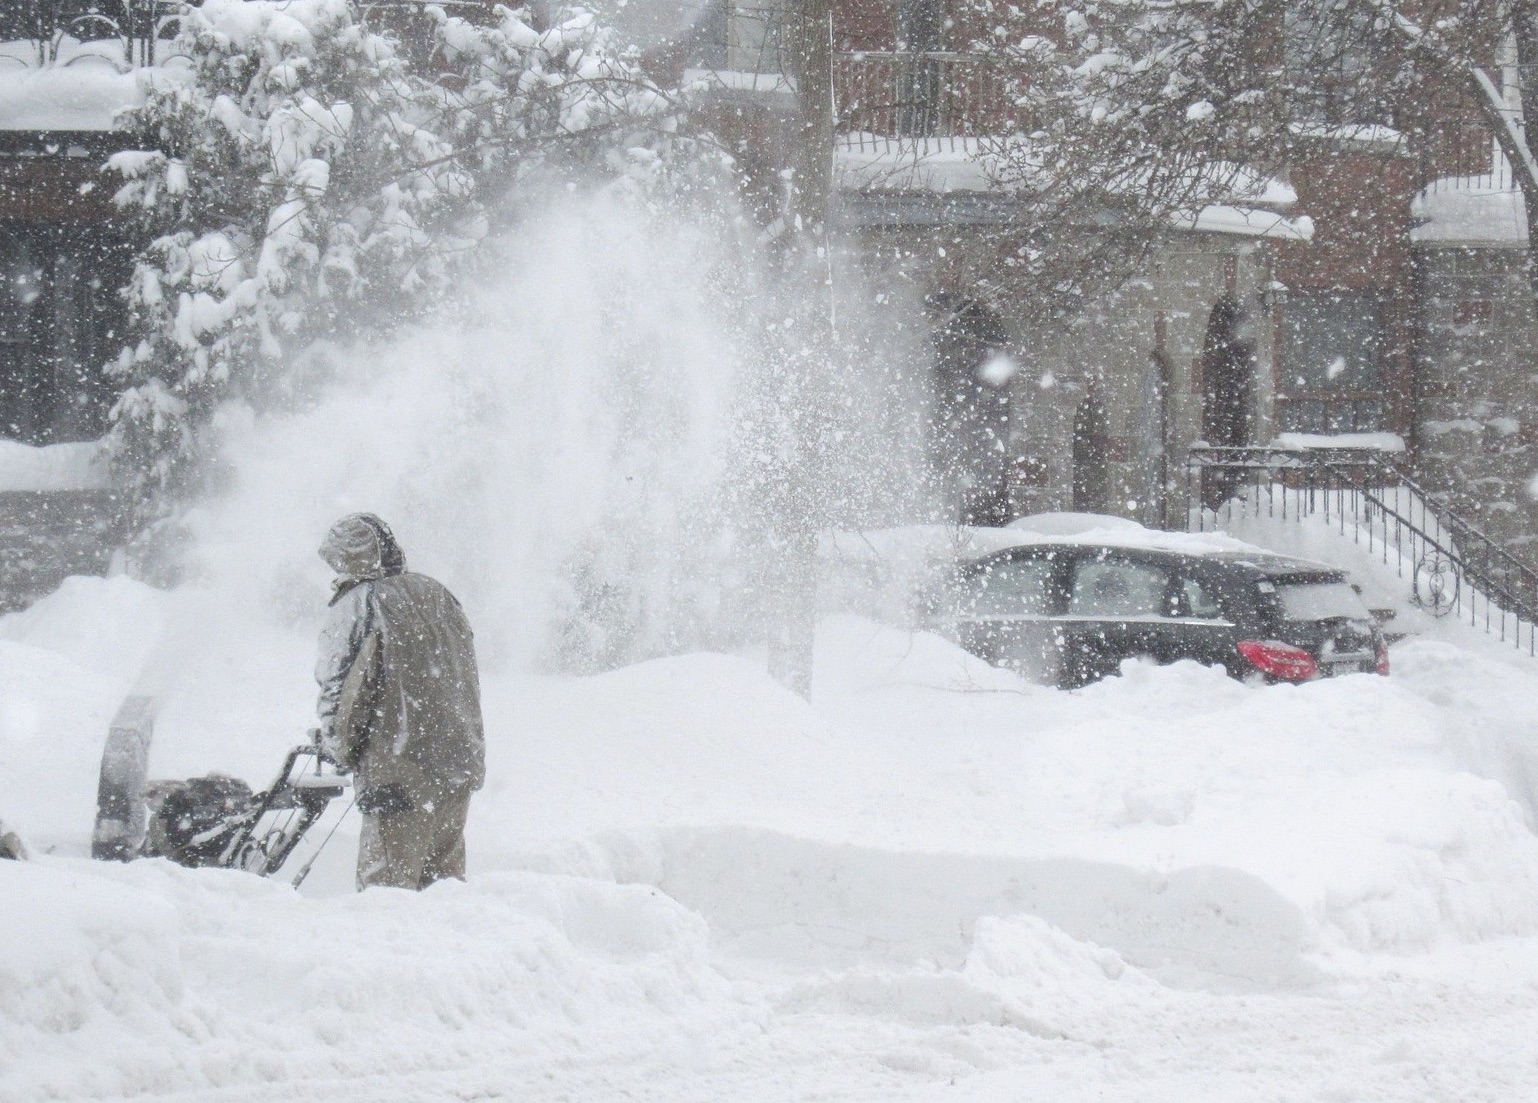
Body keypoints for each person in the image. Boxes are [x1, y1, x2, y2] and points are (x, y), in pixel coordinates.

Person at [314, 513, 485, 890]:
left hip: (398, 770)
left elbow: (344, 691)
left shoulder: (360, 604)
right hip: (457, 763)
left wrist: (339, 746)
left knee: (387, 895)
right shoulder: (437, 593)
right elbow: (464, 676)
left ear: (348, 556)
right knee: (444, 889)